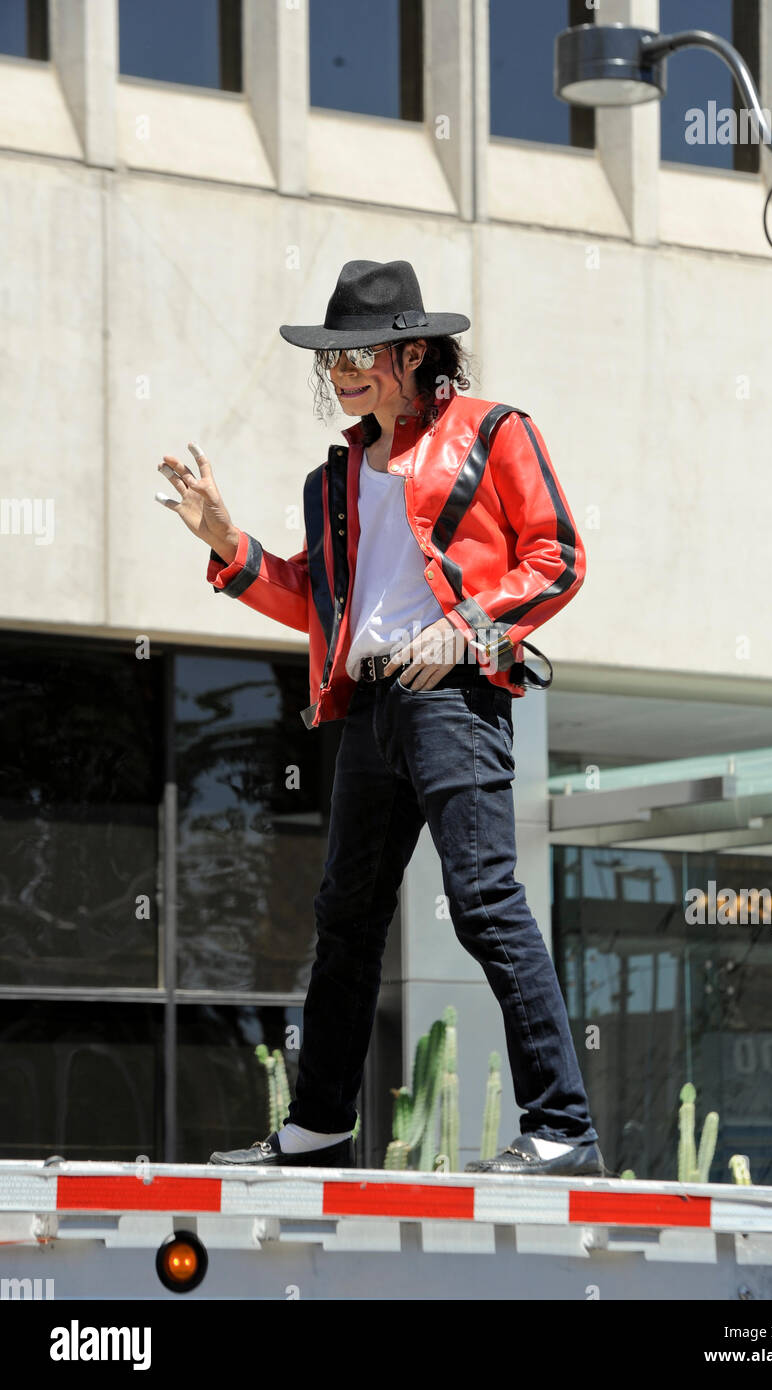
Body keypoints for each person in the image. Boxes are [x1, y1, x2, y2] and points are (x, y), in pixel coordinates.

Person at [156, 259, 604, 1176]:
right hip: (366, 705)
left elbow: (557, 555)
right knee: (346, 920)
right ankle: (319, 1127)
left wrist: (465, 630)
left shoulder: (495, 432)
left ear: (411, 352)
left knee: (482, 902)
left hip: (454, 697)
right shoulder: (336, 480)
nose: (340, 373)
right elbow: (319, 605)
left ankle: (561, 1128)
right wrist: (227, 544)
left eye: (356, 354)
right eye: (330, 359)